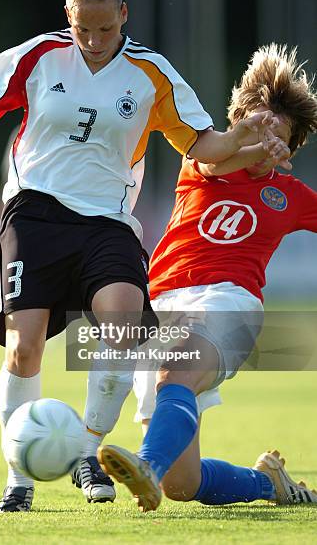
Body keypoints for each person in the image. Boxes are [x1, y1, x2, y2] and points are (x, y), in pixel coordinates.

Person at [0, 0, 284, 513]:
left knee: (122, 326)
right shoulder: (37, 57)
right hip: (34, 213)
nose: (93, 38)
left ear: (124, 14)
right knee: (24, 347)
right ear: (68, 15)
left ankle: (89, 451)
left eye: (106, 27)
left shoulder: (151, 73)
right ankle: (20, 477)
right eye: (83, 27)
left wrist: (245, 140)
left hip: (107, 221)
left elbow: (203, 146)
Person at [98, 43, 317, 512]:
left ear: (292, 149)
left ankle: (145, 468)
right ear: (238, 122)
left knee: (174, 374)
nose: (264, 142)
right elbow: (218, 160)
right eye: (257, 125)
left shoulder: (291, 194)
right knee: (183, 484)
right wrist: (250, 142)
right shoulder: (201, 164)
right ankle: (268, 484)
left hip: (229, 302)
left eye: (278, 137)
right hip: (159, 307)